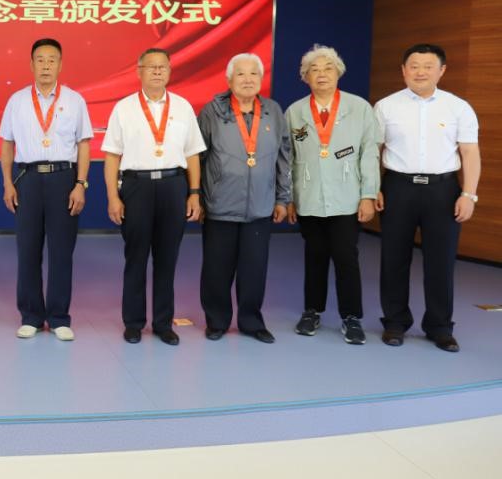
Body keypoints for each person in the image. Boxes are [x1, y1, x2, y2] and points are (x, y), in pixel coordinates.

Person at [374, 44, 480, 353]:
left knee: (441, 261)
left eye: (428, 66)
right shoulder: (385, 106)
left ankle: (439, 327)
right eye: (414, 66)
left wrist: (469, 194)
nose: (420, 72)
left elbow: (470, 153)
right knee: (393, 259)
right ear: (403, 70)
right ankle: (395, 322)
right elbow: (373, 151)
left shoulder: (458, 107)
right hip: (397, 187)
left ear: (441, 70)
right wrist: (373, 187)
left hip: (443, 190)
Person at [103, 48, 205, 346]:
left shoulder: (183, 107)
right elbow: (112, 156)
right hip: (136, 187)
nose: (157, 71)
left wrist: (194, 193)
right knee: (135, 257)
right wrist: (113, 197)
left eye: (163, 67)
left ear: (170, 71)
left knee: (167, 258)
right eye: (151, 67)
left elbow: (193, 154)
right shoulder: (124, 108)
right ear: (139, 71)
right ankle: (133, 323)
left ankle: (163, 324)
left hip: (174, 186)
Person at [0, 38, 92, 342]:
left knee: (62, 251)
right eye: (40, 60)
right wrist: (7, 182)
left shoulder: (75, 101)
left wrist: (80, 184)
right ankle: (31, 316)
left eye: (52, 60)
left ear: (60, 65)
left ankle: (59, 317)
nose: (46, 66)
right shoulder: (17, 101)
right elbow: (7, 144)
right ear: (31, 64)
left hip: (63, 178)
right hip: (27, 178)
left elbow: (84, 144)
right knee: (28, 250)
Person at [285, 44, 379, 344]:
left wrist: (368, 194)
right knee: (314, 256)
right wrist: (288, 198)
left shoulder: (359, 108)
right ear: (305, 77)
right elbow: (287, 158)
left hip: (346, 197)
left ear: (338, 73)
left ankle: (351, 317)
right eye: (314, 70)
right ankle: (311, 311)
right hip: (308, 195)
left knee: (346, 257)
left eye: (328, 68)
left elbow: (369, 153)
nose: (321, 74)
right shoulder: (295, 112)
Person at [197, 53, 292, 342]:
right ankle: (217, 321)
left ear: (261, 79)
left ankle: (251, 322)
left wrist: (282, 198)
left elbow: (284, 156)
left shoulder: (273, 111)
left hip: (261, 206)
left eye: (254, 74)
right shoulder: (212, 111)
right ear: (229, 80)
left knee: (254, 269)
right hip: (220, 204)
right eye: (241, 74)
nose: (248, 79)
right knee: (217, 268)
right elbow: (198, 157)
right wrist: (198, 197)